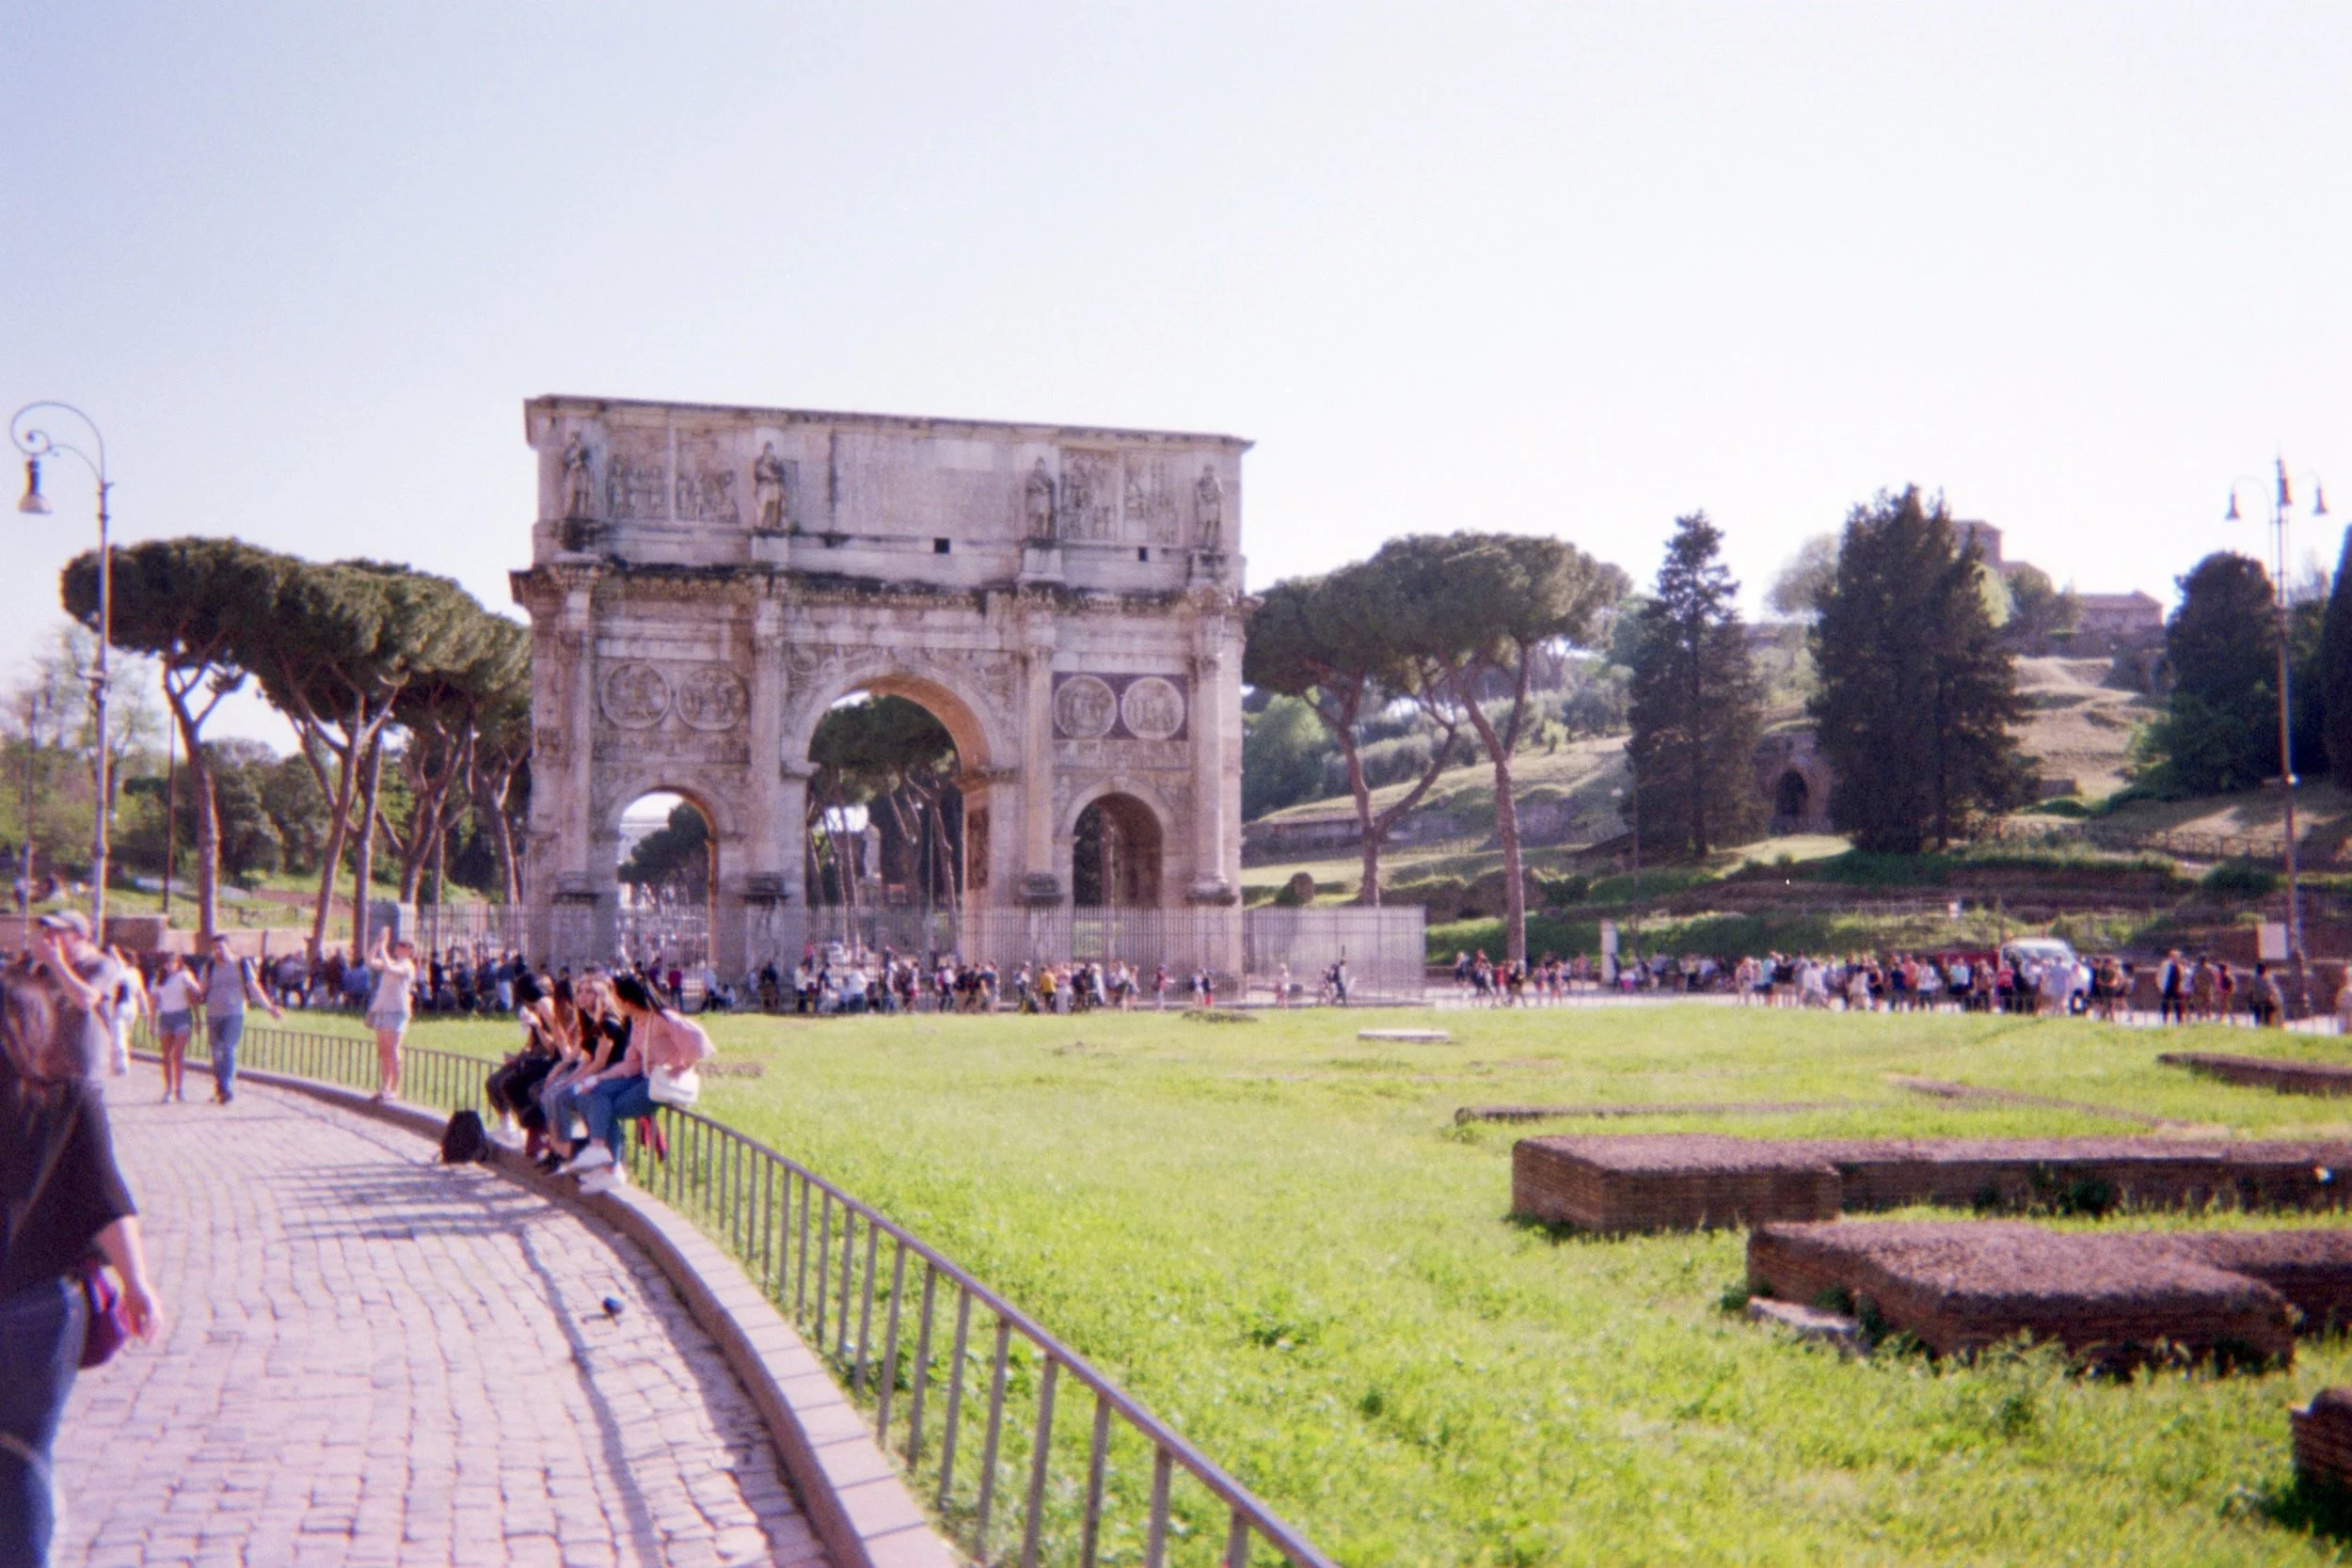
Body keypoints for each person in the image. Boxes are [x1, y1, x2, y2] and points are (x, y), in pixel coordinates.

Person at [1, 958, 166, 1566]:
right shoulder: (70, 1100)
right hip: (43, 1308)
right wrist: (138, 1283)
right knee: (23, 1458)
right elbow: (106, 1199)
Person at [556, 974, 716, 1196]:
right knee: (591, 1094)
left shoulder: (663, 1019)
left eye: (616, 999)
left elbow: (697, 1039)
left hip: (659, 1084)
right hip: (642, 1078)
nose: (613, 1003)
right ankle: (602, 1154)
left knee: (606, 1107)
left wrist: (684, 1065)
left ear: (628, 1002)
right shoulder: (636, 1023)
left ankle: (609, 1163)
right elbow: (630, 1064)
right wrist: (597, 1079)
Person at [28, 913, 132, 1086]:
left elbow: (86, 1000)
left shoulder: (102, 965)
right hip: (51, 1067)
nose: (49, 936)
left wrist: (56, 963)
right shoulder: (44, 970)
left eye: (57, 931)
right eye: (46, 931)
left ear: (80, 935)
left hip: (86, 1067)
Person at [202, 936, 283, 1104]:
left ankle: (227, 1088)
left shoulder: (241, 965)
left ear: (229, 948)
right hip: (213, 1013)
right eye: (215, 948)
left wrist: (269, 1008)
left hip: (234, 1012)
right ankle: (220, 1086)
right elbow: (202, 989)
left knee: (228, 1048)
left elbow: (254, 988)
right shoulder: (209, 967)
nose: (218, 952)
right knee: (216, 1053)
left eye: (221, 948)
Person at [363, 928, 419, 1101]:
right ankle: (384, 1085)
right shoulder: (393, 963)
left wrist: (384, 948)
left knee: (393, 1050)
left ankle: (393, 1088)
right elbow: (369, 961)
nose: (398, 947)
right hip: (383, 1010)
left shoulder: (406, 966)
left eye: (403, 946)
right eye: (398, 945)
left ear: (410, 951)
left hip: (397, 1011)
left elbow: (388, 967)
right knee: (383, 1051)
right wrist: (378, 943)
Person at [149, 952, 201, 1103]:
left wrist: (197, 1019)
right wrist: (152, 1022)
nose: (170, 966)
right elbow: (153, 1002)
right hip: (166, 1017)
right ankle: (168, 1089)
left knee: (177, 1053)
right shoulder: (159, 981)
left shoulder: (184, 976)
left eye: (173, 962)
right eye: (167, 963)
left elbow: (195, 992)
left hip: (182, 1016)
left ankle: (179, 1088)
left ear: (178, 963)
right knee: (166, 1056)